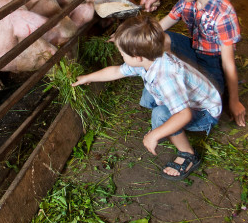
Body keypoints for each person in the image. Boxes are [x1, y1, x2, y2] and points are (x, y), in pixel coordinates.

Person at [72, 14, 221, 180]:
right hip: (192, 99)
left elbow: (183, 114)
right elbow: (116, 71)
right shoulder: (149, 59)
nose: (121, 57)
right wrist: (88, 78)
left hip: (204, 112)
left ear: (137, 56)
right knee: (150, 97)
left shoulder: (165, 77)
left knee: (161, 115)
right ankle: (166, 129)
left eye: (122, 54)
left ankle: (188, 155)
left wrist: (154, 135)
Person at [158, 0, 246, 126]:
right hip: (193, 50)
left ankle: (207, 108)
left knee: (206, 98)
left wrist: (234, 100)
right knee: (162, 38)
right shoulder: (186, 2)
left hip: (213, 62)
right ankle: (171, 80)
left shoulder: (224, 14)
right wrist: (129, 35)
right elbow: (161, 26)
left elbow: (228, 63)